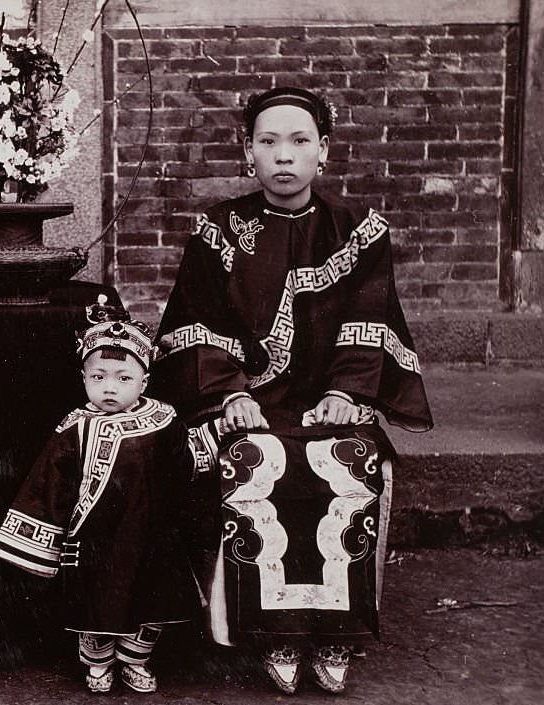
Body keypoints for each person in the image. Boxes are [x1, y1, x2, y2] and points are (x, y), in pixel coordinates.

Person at [151, 86, 433, 695]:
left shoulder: (357, 231)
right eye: (269, 141)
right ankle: (271, 631)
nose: (284, 156)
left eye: (299, 141)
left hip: (330, 398)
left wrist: (350, 394)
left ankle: (334, 632)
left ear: (323, 152)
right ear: (248, 151)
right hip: (246, 400)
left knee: (350, 458)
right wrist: (228, 392)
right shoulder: (220, 231)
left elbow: (371, 317)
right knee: (253, 457)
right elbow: (197, 322)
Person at [0, 296, 217, 695]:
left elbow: (186, 466)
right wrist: (45, 539)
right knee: (96, 605)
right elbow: (48, 484)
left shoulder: (163, 420)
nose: (109, 387)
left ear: (144, 381)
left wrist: (213, 440)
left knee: (152, 603)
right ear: (84, 378)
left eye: (123, 378)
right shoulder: (73, 427)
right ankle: (98, 662)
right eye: (99, 377)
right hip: (96, 540)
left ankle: (135, 659)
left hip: (152, 536)